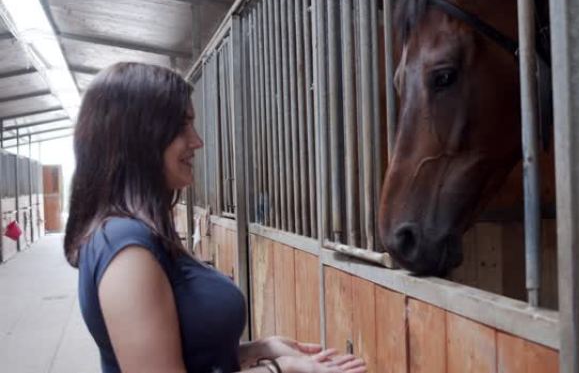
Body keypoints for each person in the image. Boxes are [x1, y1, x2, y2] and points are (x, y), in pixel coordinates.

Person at [63, 62, 367, 373]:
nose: (197, 141)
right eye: (182, 126)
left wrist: (260, 348)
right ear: (139, 135)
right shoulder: (126, 249)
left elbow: (190, 353)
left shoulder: (143, 234)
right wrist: (281, 369)